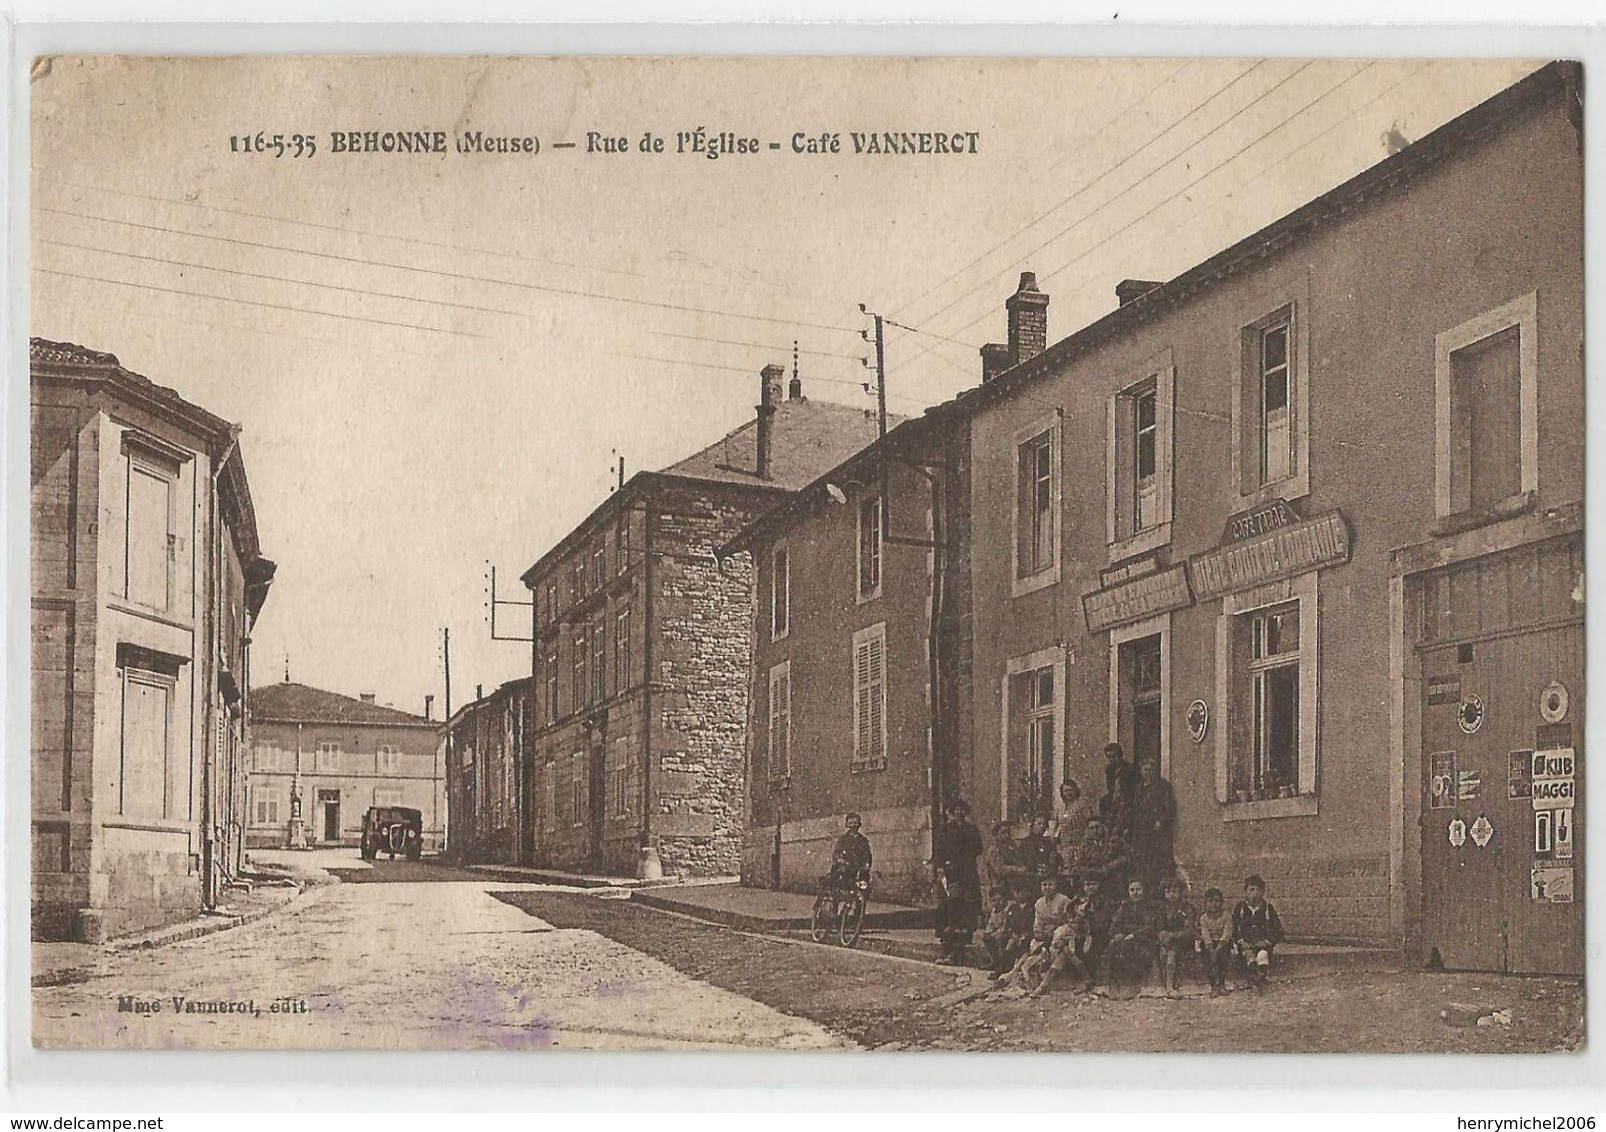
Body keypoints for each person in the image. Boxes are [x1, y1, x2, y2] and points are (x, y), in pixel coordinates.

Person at [932, 800, 984, 965]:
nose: (959, 812)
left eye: (962, 809)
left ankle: (965, 936)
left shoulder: (971, 829)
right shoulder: (945, 829)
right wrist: (941, 866)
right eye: (956, 809)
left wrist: (967, 857)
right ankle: (947, 943)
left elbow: (979, 848)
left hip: (968, 870)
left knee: (968, 902)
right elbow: (939, 850)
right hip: (952, 870)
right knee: (951, 903)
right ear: (951, 812)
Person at [1100, 877, 1159, 999]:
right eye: (1132, 890)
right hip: (1126, 939)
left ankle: (1132, 985)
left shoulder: (1150, 906)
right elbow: (1116, 923)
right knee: (1113, 946)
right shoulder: (1125, 906)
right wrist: (1117, 934)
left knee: (1129, 948)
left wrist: (1134, 935)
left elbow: (1150, 927)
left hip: (1145, 941)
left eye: (1138, 889)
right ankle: (1113, 984)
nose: (1135, 893)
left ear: (1144, 890)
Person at [1231, 874, 1286, 991]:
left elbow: (1278, 930)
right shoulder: (1240, 908)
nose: (1255, 893)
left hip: (1262, 944)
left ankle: (1260, 976)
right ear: (1245, 892)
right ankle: (1255, 975)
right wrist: (1241, 941)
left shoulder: (1267, 909)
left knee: (1262, 955)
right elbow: (1234, 927)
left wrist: (1267, 941)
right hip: (1247, 944)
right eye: (1251, 890)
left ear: (1263, 892)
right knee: (1248, 955)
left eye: (1258, 890)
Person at [1130, 757, 1177, 890]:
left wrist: (1160, 821)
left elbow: (1169, 807)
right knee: (1142, 864)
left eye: (1150, 770)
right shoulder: (1139, 788)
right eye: (1145, 770)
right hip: (1142, 832)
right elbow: (1136, 811)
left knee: (1157, 862)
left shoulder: (1163, 786)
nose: (1147, 773)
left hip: (1157, 832)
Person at [1154, 876, 1196, 998]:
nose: (1171, 895)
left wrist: (1172, 935)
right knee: (1163, 952)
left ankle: (1170, 985)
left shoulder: (1186, 908)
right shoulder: (1162, 908)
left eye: (1174, 891)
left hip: (1182, 940)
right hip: (1167, 940)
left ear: (1180, 892)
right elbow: (1159, 926)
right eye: (1168, 892)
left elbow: (1188, 930)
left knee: (1171, 953)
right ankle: (1166, 983)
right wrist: (1162, 935)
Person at [981, 890, 1031, 980]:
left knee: (1001, 939)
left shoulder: (1027, 908)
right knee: (989, 938)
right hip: (1010, 933)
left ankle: (1003, 968)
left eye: (999, 899)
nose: (1020, 895)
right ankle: (996, 963)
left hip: (1019, 935)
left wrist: (1015, 936)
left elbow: (1007, 926)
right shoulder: (1013, 907)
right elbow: (1007, 924)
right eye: (1018, 892)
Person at [1195, 886, 1234, 997]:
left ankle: (1221, 983)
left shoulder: (1226, 915)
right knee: (1208, 959)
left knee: (1223, 957)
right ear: (1205, 903)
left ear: (1221, 902)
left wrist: (1220, 946)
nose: (1213, 904)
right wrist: (1210, 947)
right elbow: (1205, 933)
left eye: (1217, 901)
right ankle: (1213, 986)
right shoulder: (1204, 918)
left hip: (1222, 943)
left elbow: (1227, 931)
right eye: (1210, 901)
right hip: (1209, 944)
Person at [1099, 742, 1140, 844]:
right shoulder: (1109, 770)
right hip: (1114, 803)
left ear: (1120, 755)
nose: (1112, 760)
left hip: (1127, 803)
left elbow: (1134, 790)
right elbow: (1111, 788)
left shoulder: (1130, 769)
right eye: (1109, 757)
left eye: (1115, 756)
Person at [979, 820, 1026, 902]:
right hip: (999, 889)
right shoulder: (994, 850)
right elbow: (1000, 869)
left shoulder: (1010, 849)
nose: (1007, 835)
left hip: (1011, 887)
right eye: (1003, 833)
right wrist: (1017, 869)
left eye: (1008, 832)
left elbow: (1018, 861)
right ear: (996, 836)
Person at [826, 812, 873, 892]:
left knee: (864, 883)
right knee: (840, 879)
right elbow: (837, 852)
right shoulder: (843, 839)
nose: (853, 825)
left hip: (858, 867)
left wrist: (867, 864)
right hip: (845, 866)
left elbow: (867, 854)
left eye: (855, 823)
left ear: (859, 824)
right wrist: (840, 860)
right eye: (851, 823)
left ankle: (861, 900)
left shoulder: (863, 840)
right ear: (847, 825)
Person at [1017, 813, 1062, 895]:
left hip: (1047, 879)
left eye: (1044, 824)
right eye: (1039, 823)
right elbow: (1022, 861)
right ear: (1032, 826)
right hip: (1030, 879)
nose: (1042, 826)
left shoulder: (1048, 843)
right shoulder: (1025, 843)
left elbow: (1054, 861)